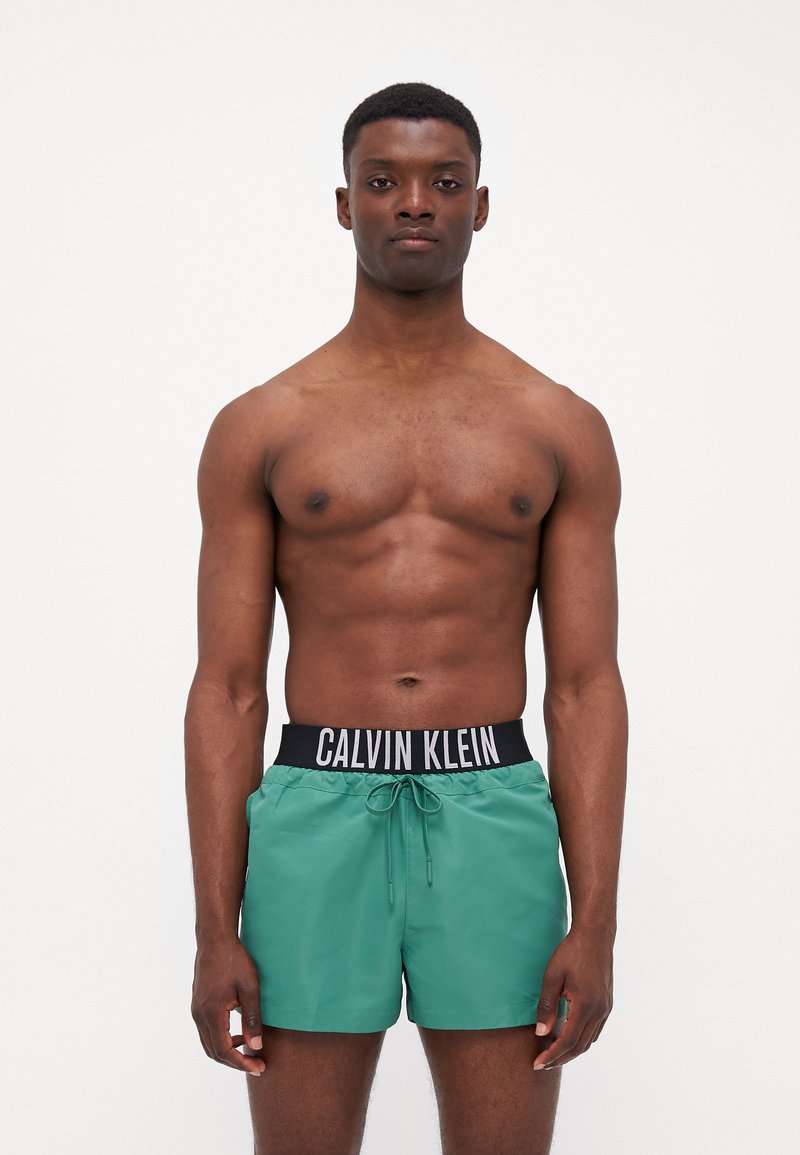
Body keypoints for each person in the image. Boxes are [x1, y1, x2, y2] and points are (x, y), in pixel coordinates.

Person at [184, 81, 628, 1155]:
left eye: (444, 181)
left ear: (481, 205)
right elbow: (228, 688)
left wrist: (597, 922)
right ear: (345, 205)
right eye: (383, 181)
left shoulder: (558, 425)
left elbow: (583, 687)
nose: (415, 202)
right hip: (315, 808)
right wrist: (211, 930)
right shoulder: (262, 426)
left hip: (491, 808)